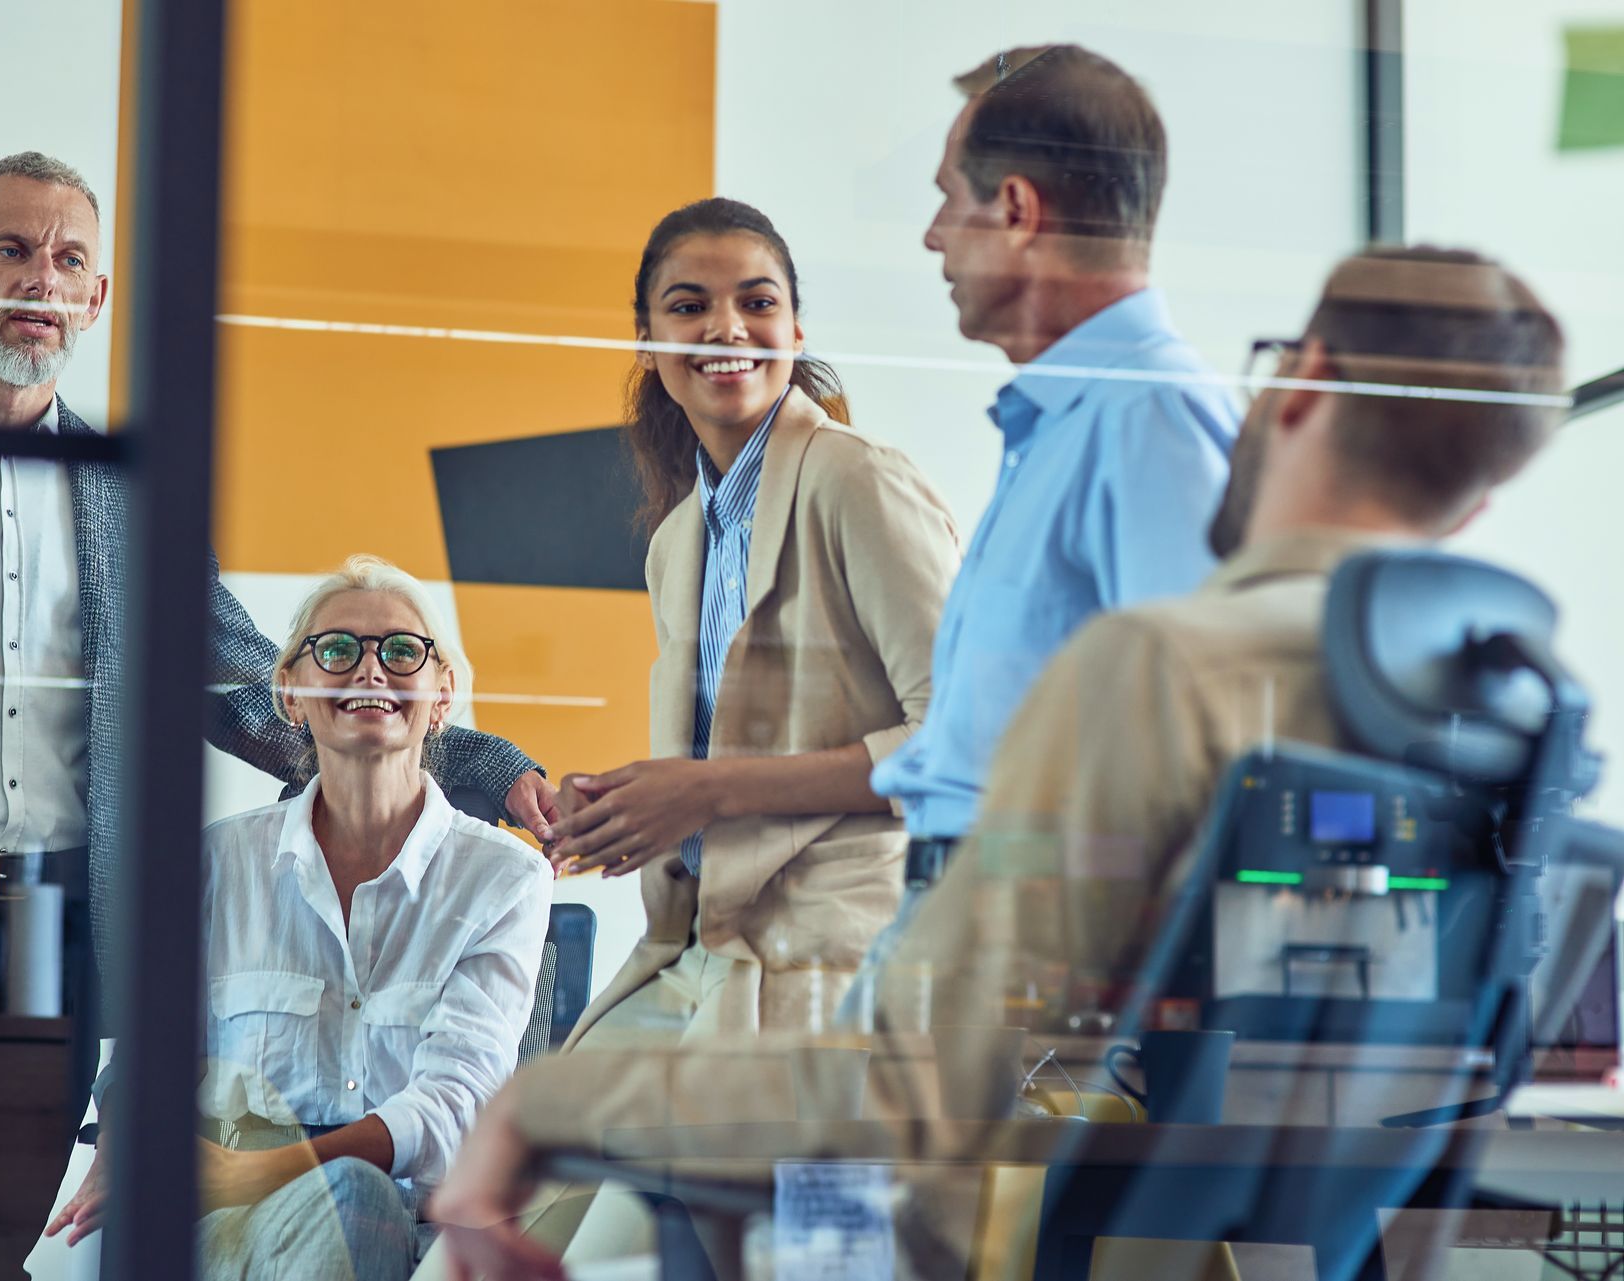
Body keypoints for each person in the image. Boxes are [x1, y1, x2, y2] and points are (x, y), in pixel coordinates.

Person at [425, 246, 1568, 1276]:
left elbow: (917, 1097)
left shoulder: (1151, 671)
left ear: (1303, 379)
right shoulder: (1503, 716)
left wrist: (544, 1105)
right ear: (1474, 503)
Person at [0, 151, 556, 985]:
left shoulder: (135, 496)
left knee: (34, 1123)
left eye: (70, 260)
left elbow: (249, 692)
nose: (40, 282)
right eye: (10, 250)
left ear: (94, 300)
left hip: (61, 920)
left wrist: (489, 764)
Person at [45, 555, 553, 1276]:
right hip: (228, 1232)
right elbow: (151, 1056)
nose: (370, 671)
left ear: (442, 697)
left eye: (403, 651)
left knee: (356, 1195)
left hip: (421, 1229)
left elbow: (451, 1107)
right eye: (337, 650)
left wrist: (260, 1171)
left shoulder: (505, 879)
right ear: (289, 693)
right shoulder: (215, 862)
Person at [542, 198, 960, 1044]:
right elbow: (717, 762)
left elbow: (962, 742)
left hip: (831, 953)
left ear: (796, 332)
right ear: (647, 340)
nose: (726, 328)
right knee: (534, 1170)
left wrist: (702, 791)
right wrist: (625, 807)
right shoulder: (675, 542)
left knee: (608, 1169)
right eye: (690, 306)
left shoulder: (859, 482)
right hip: (694, 948)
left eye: (758, 303)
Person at [868, 45, 1238, 882]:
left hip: (1054, 940)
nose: (933, 236)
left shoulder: (1147, 421)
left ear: (1015, 210)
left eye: (947, 199)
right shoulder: (1073, 422)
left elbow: (1203, 752)